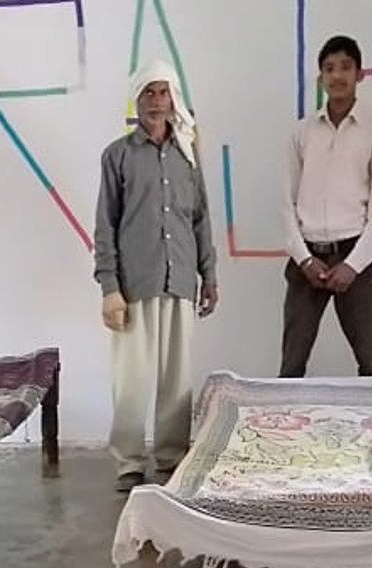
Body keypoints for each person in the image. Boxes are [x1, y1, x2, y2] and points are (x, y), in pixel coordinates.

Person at [93, 59, 218, 492]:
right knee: (130, 379)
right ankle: (128, 461)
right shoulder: (118, 156)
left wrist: (209, 274)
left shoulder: (187, 155)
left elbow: (200, 217)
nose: (156, 101)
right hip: (135, 285)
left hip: (180, 278)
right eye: (148, 92)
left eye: (163, 92)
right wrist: (110, 288)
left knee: (176, 380)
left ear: (173, 99)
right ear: (137, 99)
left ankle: (171, 457)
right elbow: (105, 225)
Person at [280, 35, 372, 378]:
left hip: (355, 256)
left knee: (370, 364)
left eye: (346, 67)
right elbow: (285, 201)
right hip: (308, 259)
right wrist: (303, 258)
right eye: (329, 68)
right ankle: (285, 416)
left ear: (360, 74)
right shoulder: (302, 132)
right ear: (321, 78)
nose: (337, 75)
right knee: (291, 365)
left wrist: (354, 265)